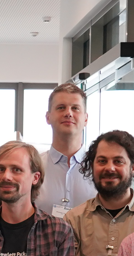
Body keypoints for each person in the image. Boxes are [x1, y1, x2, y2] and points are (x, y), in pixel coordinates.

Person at [35, 83, 94, 218]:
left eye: (75, 108)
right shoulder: (32, 166)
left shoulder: (99, 169)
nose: (68, 113)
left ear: (86, 119)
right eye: (61, 108)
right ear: (48, 117)